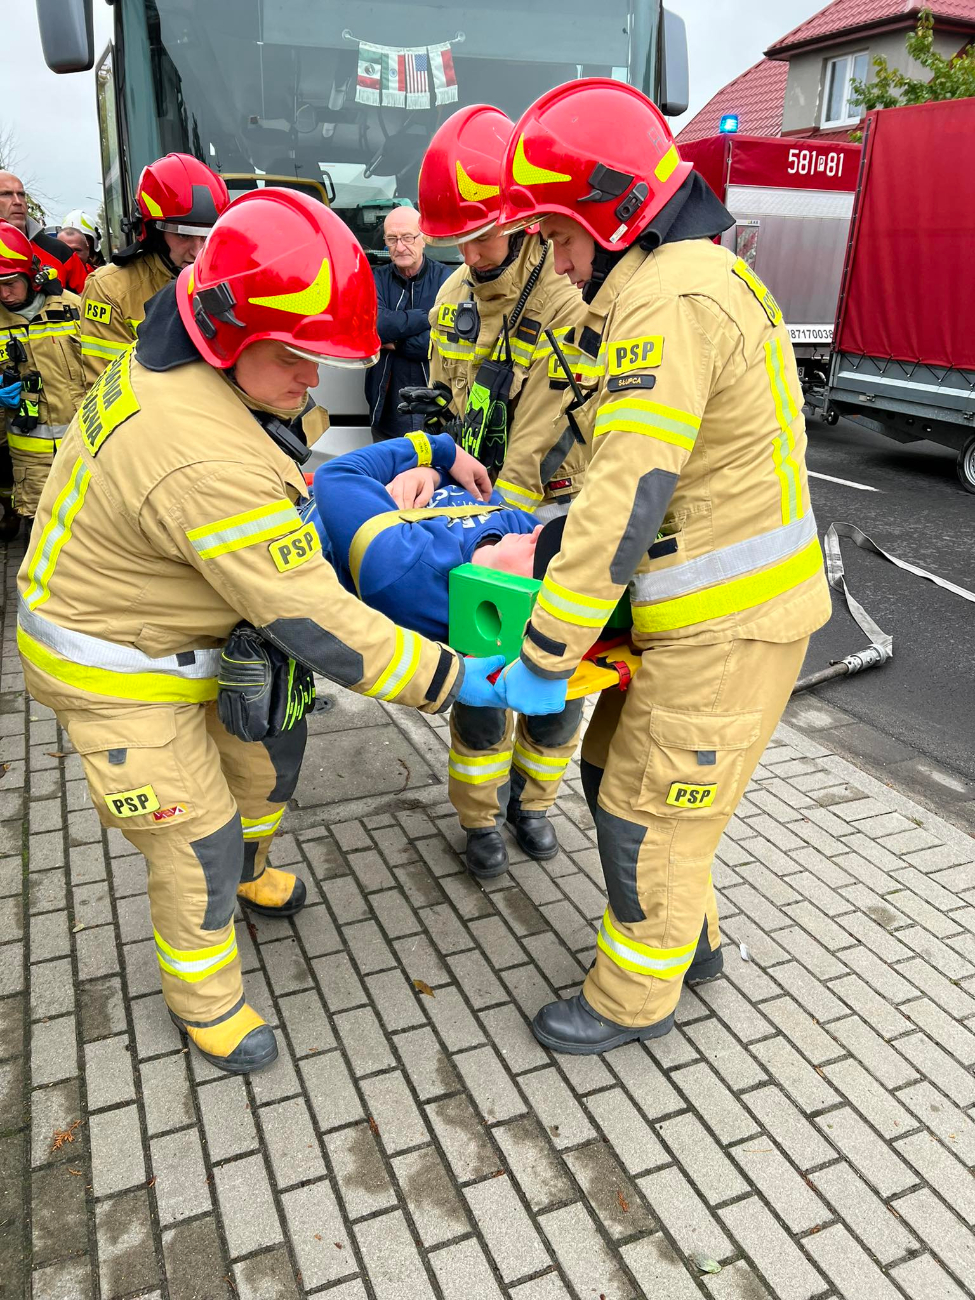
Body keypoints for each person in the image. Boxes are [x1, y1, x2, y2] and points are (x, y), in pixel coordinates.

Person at [17, 189, 520, 1075]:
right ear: (231, 334)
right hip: (114, 662)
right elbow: (318, 623)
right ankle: (205, 999)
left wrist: (418, 455)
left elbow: (289, 483)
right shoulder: (197, 449)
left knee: (258, 765)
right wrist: (456, 680)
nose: (310, 382)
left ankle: (248, 872)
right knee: (194, 830)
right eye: (295, 359)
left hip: (176, 622)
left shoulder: (192, 364)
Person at [495, 79, 832, 1054]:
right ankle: (696, 943)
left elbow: (628, 496)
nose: (555, 260)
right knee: (613, 774)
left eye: (559, 236)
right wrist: (554, 546)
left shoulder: (667, 298)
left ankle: (631, 998)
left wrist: (551, 641)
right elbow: (634, 473)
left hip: (725, 628)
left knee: (649, 814)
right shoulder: (685, 280)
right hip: (712, 618)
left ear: (610, 214)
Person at [411, 104, 588, 879]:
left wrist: (499, 535)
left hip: (547, 516)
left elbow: (543, 431)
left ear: (520, 219)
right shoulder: (450, 297)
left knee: (556, 677)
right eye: (459, 236)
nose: (473, 251)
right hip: (482, 512)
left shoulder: (565, 298)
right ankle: (479, 818)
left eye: (485, 232)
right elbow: (444, 406)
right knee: (482, 678)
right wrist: (433, 466)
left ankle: (536, 804)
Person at [306, 430, 541, 640]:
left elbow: (337, 473)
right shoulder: (520, 530)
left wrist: (440, 449)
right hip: (356, 493)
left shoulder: (407, 567)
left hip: (300, 508)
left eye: (544, 556)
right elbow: (471, 484)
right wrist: (428, 475)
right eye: (555, 540)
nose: (539, 532)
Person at [78, 152, 229, 385]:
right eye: (183, 235)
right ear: (153, 233)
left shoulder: (228, 281)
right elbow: (109, 389)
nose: (198, 251)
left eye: (207, 237)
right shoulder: (110, 290)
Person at [0, 221, 85, 535]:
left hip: (84, 450)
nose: (4, 293)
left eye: (10, 282)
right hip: (30, 462)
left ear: (31, 275)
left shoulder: (74, 309)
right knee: (42, 536)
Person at [365, 205, 451, 441]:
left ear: (424, 238)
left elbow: (447, 340)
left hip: (440, 407)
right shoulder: (376, 278)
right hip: (387, 408)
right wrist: (428, 316)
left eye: (407, 237)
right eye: (392, 239)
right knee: (390, 475)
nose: (399, 246)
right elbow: (377, 325)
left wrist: (397, 344)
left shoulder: (448, 279)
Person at [0, 172, 88, 294]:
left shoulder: (59, 252)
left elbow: (93, 300)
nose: (17, 201)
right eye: (6, 194)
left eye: (21, 195)